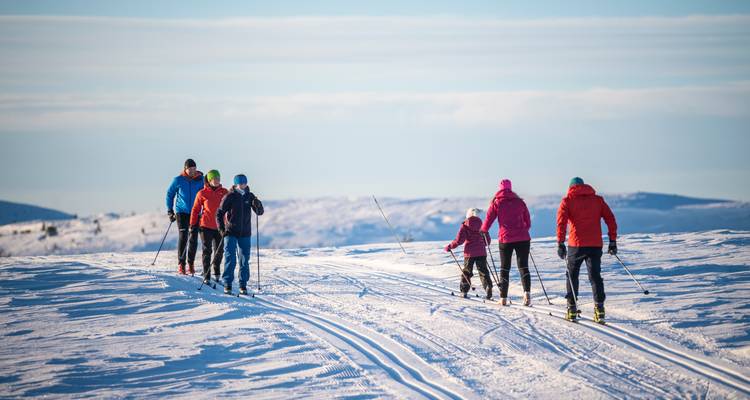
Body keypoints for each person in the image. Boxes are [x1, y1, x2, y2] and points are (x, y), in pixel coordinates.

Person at [556, 177, 618, 323]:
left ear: (570, 187)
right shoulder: (598, 200)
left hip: (576, 245)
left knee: (572, 275)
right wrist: (612, 241)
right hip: (595, 244)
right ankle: (600, 310)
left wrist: (560, 242)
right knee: (595, 276)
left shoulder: (567, 201)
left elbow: (561, 223)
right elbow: (610, 219)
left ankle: (571, 309)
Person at [481, 179, 532, 306]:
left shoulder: (497, 203)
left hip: (506, 239)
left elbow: (488, 220)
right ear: (510, 188)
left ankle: (503, 298)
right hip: (523, 239)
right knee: (523, 266)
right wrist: (522, 230)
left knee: (505, 268)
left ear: (500, 188)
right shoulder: (520, 202)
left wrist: (483, 231)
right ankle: (527, 294)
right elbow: (528, 221)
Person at [216, 174, 264, 295]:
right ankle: (227, 284)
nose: (243, 185)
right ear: (236, 184)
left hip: (245, 233)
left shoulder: (250, 196)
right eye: (241, 183)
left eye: (245, 183)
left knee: (244, 260)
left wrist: (258, 205)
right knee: (230, 258)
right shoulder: (230, 196)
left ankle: (243, 285)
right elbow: (219, 213)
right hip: (230, 232)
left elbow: (260, 212)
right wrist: (222, 229)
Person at [190, 170, 229, 284]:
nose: (217, 181)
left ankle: (216, 273)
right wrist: (192, 224)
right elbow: (195, 210)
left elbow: (231, 205)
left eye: (218, 178)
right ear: (209, 180)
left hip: (220, 227)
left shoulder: (224, 192)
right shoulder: (202, 193)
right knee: (207, 251)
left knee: (219, 251)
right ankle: (206, 274)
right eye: (214, 179)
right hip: (205, 226)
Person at [165, 159, 204, 275]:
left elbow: (205, 195)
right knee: (183, 236)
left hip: (195, 212)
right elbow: (169, 194)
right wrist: (170, 210)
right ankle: (181, 264)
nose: (192, 171)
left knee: (193, 238)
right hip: (181, 212)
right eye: (190, 169)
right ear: (185, 169)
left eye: (194, 168)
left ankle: (190, 264)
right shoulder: (178, 180)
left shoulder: (201, 180)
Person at [445, 208, 493, 299]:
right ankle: (488, 286)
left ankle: (464, 291)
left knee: (467, 272)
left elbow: (459, 240)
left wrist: (450, 246)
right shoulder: (483, 225)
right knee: (483, 271)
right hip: (481, 252)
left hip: (469, 253)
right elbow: (487, 241)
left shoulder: (465, 226)